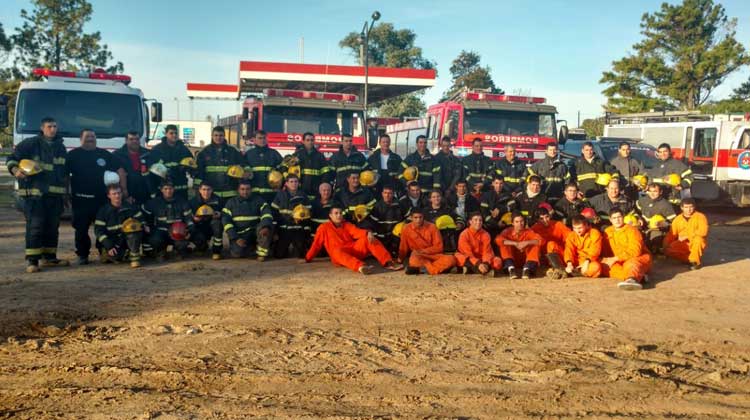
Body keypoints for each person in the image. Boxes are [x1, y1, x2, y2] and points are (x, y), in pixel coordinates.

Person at [8, 117, 69, 272]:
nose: (53, 129)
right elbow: (12, 158)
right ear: (42, 128)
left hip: (55, 197)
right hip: (35, 195)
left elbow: (64, 173)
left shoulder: (61, 147)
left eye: (55, 126)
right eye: (49, 126)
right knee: (35, 227)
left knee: (52, 228)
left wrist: (66, 195)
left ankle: (49, 258)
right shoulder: (31, 143)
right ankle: (32, 261)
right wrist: (16, 171)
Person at [66, 128, 126, 265]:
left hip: (101, 201)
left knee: (104, 228)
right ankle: (82, 255)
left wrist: (124, 189)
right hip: (80, 200)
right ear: (80, 139)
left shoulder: (104, 154)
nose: (90, 139)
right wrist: (65, 194)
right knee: (81, 229)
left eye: (92, 136)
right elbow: (65, 177)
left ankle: (104, 252)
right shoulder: (73, 155)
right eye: (87, 137)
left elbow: (120, 170)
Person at [305, 206, 403, 274]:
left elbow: (357, 232)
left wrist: (367, 233)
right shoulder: (323, 228)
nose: (339, 215)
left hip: (353, 250)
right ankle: (361, 267)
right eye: (336, 213)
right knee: (336, 251)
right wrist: (308, 258)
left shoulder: (347, 225)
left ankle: (388, 262)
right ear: (330, 215)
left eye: (340, 213)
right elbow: (316, 245)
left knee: (368, 238)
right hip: (339, 255)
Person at [141, 180, 194, 261]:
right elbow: (143, 212)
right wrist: (145, 224)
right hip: (161, 231)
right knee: (155, 240)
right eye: (165, 189)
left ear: (174, 189)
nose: (168, 191)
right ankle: (161, 252)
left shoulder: (182, 202)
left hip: (177, 232)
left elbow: (189, 219)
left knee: (182, 244)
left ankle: (177, 252)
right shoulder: (154, 202)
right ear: (161, 190)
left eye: (170, 188)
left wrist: (189, 230)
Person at [602, 207, 652, 291]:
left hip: (639, 258)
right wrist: (607, 259)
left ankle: (632, 279)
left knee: (631, 263)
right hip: (619, 260)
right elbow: (605, 251)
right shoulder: (607, 231)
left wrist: (616, 258)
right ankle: (640, 276)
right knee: (604, 266)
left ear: (623, 217)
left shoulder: (632, 230)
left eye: (619, 217)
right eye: (614, 218)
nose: (617, 220)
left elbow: (635, 251)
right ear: (610, 220)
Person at [221, 180, 274, 260]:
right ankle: (251, 248)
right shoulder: (231, 203)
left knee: (265, 229)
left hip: (255, 233)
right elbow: (226, 221)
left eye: (247, 189)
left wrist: (265, 226)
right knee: (237, 254)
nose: (245, 192)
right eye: (242, 189)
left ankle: (261, 254)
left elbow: (266, 213)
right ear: (238, 190)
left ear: (251, 190)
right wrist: (235, 238)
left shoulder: (259, 200)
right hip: (240, 235)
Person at [194, 126, 247, 204]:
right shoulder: (204, 152)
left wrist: (246, 173)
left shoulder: (233, 151)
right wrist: (197, 189)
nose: (218, 137)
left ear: (224, 136)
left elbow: (243, 165)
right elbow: (199, 172)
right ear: (212, 136)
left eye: (221, 135)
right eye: (216, 135)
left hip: (231, 192)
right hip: (212, 193)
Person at [94, 184, 144, 268]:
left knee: (135, 229)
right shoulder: (103, 211)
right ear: (109, 196)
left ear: (122, 194)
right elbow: (98, 230)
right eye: (114, 194)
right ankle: (110, 253)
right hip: (112, 241)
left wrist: (143, 224)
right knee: (115, 257)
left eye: (119, 193)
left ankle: (135, 258)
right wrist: (108, 245)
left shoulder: (130, 207)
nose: (117, 195)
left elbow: (140, 219)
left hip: (126, 239)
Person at [398, 208, 456, 275]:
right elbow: (403, 246)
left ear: (423, 217)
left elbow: (439, 247)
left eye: (420, 217)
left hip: (434, 255)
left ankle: (422, 270)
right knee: (413, 261)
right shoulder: (406, 228)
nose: (418, 220)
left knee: (451, 259)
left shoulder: (432, 227)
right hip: (419, 256)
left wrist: (423, 251)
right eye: (415, 218)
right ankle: (437, 269)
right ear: (411, 218)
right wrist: (400, 259)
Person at [146, 124, 193, 200]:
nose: (174, 135)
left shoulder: (183, 149)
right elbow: (151, 171)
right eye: (171, 133)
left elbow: (191, 165)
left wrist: (188, 168)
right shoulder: (157, 150)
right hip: (164, 190)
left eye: (175, 133)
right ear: (165, 134)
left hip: (181, 189)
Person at [272, 175, 312, 259]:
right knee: (279, 255)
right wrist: (275, 231)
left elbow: (309, 213)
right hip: (284, 229)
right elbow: (274, 213)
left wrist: (302, 222)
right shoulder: (280, 195)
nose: (294, 184)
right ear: (286, 183)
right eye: (291, 182)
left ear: (298, 183)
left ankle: (297, 247)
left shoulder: (303, 196)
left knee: (300, 254)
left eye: (296, 181)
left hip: (298, 228)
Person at [663, 198, 708, 270]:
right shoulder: (677, 219)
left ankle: (695, 262)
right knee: (669, 250)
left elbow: (703, 231)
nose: (689, 209)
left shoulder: (700, 217)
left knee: (698, 239)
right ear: (682, 208)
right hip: (683, 243)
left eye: (691, 207)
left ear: (694, 207)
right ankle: (689, 259)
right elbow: (672, 234)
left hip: (695, 242)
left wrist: (687, 236)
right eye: (686, 207)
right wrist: (665, 246)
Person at [496, 212, 543, 279]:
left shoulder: (529, 232)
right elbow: (498, 240)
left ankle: (527, 269)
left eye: (521, 221)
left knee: (535, 244)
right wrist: (515, 243)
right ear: (512, 223)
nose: (520, 224)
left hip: (526, 260)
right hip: (512, 260)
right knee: (504, 244)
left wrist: (526, 243)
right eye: (517, 222)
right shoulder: (507, 231)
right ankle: (510, 268)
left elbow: (540, 240)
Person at [647, 143, 694, 207]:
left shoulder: (677, 164)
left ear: (670, 152)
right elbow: (650, 179)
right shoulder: (656, 166)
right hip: (657, 199)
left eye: (665, 151)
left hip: (671, 200)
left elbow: (689, 176)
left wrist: (682, 185)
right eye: (660, 152)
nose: (662, 154)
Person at [530, 207, 572, 279]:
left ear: (550, 216)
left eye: (547, 217)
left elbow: (571, 238)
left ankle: (559, 269)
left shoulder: (558, 225)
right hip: (544, 259)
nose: (545, 220)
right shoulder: (534, 229)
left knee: (551, 244)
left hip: (560, 256)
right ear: (537, 220)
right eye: (541, 218)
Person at [113, 130, 152, 205]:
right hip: (128, 191)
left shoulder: (148, 153)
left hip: (146, 190)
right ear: (126, 140)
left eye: (137, 139)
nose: (134, 141)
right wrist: (123, 192)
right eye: (131, 139)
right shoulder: (117, 155)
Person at [292, 132, 334, 200]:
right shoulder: (297, 155)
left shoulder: (320, 156)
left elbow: (325, 173)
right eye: (308, 140)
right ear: (303, 141)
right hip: (300, 190)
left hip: (316, 191)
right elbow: (290, 173)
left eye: (312, 140)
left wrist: (323, 187)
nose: (310, 142)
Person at [636, 183, 676, 254]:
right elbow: (637, 211)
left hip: (656, 229)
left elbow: (674, 221)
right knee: (634, 233)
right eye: (650, 191)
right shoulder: (643, 200)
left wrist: (663, 223)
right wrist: (638, 218)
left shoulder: (665, 205)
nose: (652, 194)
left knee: (655, 238)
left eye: (655, 191)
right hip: (644, 226)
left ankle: (655, 249)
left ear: (660, 192)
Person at [245, 130, 283, 203]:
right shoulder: (249, 154)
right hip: (254, 193)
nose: (262, 140)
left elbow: (282, 170)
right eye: (259, 138)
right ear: (254, 140)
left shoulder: (274, 153)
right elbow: (244, 172)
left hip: (271, 193)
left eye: (264, 138)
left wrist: (279, 186)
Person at [189, 182, 223, 260]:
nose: (206, 192)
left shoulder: (218, 200)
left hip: (213, 225)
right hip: (199, 226)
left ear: (212, 190)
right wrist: (193, 219)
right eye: (204, 189)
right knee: (192, 230)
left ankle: (216, 251)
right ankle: (201, 246)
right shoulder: (193, 202)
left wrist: (219, 214)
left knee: (217, 225)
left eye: (208, 190)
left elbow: (224, 212)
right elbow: (188, 216)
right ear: (199, 190)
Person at [367, 185, 405, 256]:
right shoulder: (377, 207)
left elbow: (409, 217)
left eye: (390, 193)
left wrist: (403, 225)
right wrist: (369, 232)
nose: (387, 195)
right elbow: (371, 223)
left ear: (393, 194)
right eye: (385, 193)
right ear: (382, 194)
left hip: (396, 237)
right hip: (382, 237)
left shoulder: (400, 205)